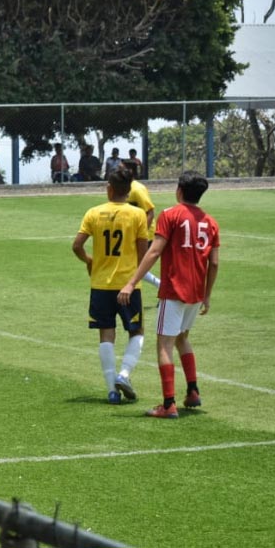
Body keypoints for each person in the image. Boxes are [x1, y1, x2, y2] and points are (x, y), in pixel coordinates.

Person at [118, 172, 219, 419]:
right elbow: (214, 263)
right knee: (183, 338)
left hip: (174, 288)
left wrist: (131, 282)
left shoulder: (170, 215)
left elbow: (153, 252)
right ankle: (193, 391)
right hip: (195, 292)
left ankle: (168, 403)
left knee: (164, 343)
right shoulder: (211, 222)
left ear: (180, 191)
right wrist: (207, 295)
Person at [71, 167, 149, 404]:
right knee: (136, 332)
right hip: (128, 285)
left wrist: (89, 260)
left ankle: (111, 391)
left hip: (100, 285)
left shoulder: (94, 213)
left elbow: (76, 245)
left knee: (107, 335)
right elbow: (143, 254)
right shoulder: (137, 216)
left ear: (109, 188)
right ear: (129, 190)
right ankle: (124, 374)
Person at [124, 159, 161, 288]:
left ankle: (161, 286)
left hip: (145, 234)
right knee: (133, 266)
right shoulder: (124, 187)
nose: (117, 170)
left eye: (120, 168)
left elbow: (150, 211)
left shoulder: (137, 189)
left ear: (129, 170)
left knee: (136, 267)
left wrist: (142, 233)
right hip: (133, 232)